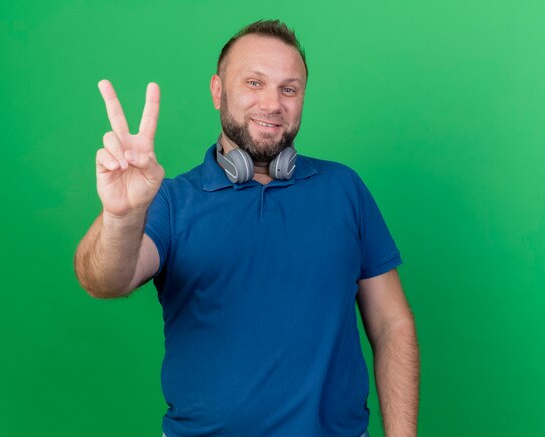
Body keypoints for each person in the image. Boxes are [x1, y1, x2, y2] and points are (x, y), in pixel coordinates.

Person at [75, 19, 419, 437]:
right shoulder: (171, 199)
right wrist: (122, 215)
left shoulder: (344, 188)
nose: (273, 104)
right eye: (254, 83)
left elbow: (391, 324)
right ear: (218, 91)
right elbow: (105, 280)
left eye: (288, 89)